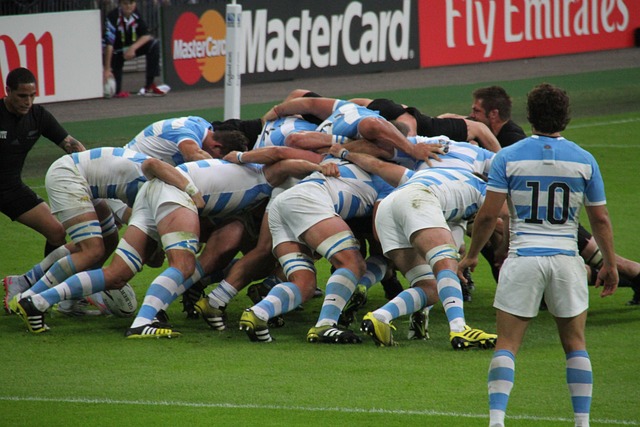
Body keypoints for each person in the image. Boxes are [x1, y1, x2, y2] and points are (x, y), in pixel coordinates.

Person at [458, 83, 618, 427]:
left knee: (507, 344)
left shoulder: (508, 157)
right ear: (566, 117)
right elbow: (600, 219)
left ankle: (497, 421)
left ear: (529, 116)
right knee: (575, 344)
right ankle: (582, 422)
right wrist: (610, 263)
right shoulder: (584, 160)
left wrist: (472, 255)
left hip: (524, 258)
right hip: (565, 261)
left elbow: (488, 215)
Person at [328, 145, 497, 349]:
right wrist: (472, 255)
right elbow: (496, 216)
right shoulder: (482, 187)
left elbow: (379, 165)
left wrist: (344, 153)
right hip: (418, 199)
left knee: (430, 286)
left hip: (388, 208)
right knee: (445, 265)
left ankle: (381, 316)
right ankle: (460, 329)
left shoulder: (434, 176)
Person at [9, 147, 193, 333]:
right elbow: (139, 226)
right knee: (91, 250)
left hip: (82, 177)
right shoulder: (158, 188)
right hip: (69, 176)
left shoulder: (156, 184)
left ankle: (66, 302)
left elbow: (137, 224)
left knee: (109, 239)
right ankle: (29, 297)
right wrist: (193, 194)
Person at [1, 67, 86, 312]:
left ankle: (37, 291)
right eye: (21, 96)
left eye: (32, 96)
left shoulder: (38, 116)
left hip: (11, 189)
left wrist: (89, 162)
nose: (28, 102)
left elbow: (69, 143)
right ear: (7, 92)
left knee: (57, 232)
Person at [103, 0, 168, 98]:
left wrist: (133, 48)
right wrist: (107, 69)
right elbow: (109, 44)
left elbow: (146, 35)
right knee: (115, 92)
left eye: (131, 3)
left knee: (154, 44)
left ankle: (149, 86)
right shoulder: (113, 16)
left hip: (128, 49)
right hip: (115, 52)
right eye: (125, 4)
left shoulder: (136, 14)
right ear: (120, 4)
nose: (129, 7)